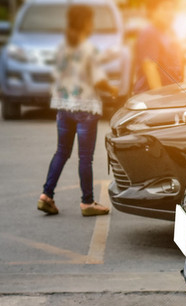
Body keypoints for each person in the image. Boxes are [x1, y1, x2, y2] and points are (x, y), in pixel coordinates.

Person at [37, 4, 118, 216]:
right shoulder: (88, 49)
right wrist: (113, 90)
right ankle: (87, 203)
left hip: (64, 106)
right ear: (85, 24)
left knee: (61, 152)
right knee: (85, 157)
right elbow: (99, 80)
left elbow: (57, 74)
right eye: (91, 21)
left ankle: (46, 195)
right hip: (85, 109)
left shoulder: (62, 47)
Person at [133, 0, 183, 94]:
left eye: (172, 8)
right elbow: (150, 67)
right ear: (153, 11)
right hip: (152, 98)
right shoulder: (150, 33)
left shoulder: (169, 32)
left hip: (169, 94)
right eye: (165, 8)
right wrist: (159, 102)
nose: (170, 13)